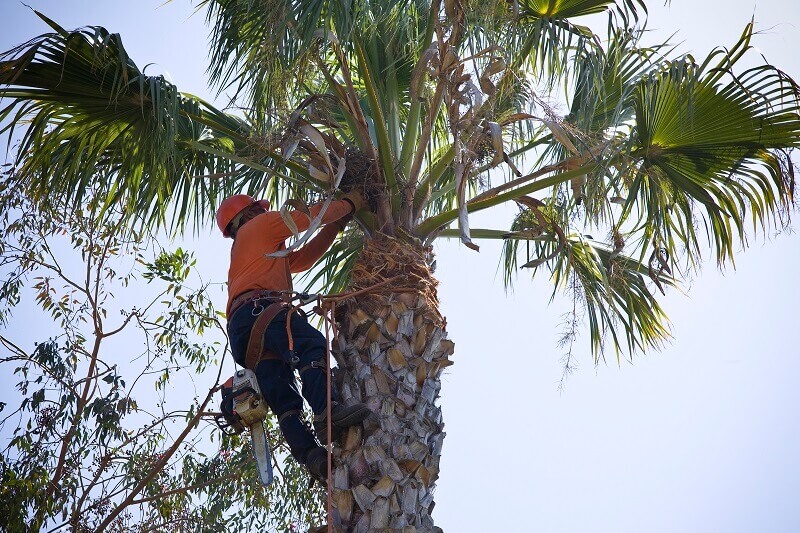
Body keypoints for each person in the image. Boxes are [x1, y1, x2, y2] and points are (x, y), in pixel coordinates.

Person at [217, 192, 371, 481]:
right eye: (259, 210)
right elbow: (306, 217)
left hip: (243, 331)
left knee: (284, 398)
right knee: (311, 345)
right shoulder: (259, 227)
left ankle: (311, 456)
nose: (265, 212)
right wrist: (352, 202)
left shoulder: (252, 247)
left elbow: (304, 259)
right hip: (259, 310)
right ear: (249, 214)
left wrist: (337, 225)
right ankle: (327, 410)